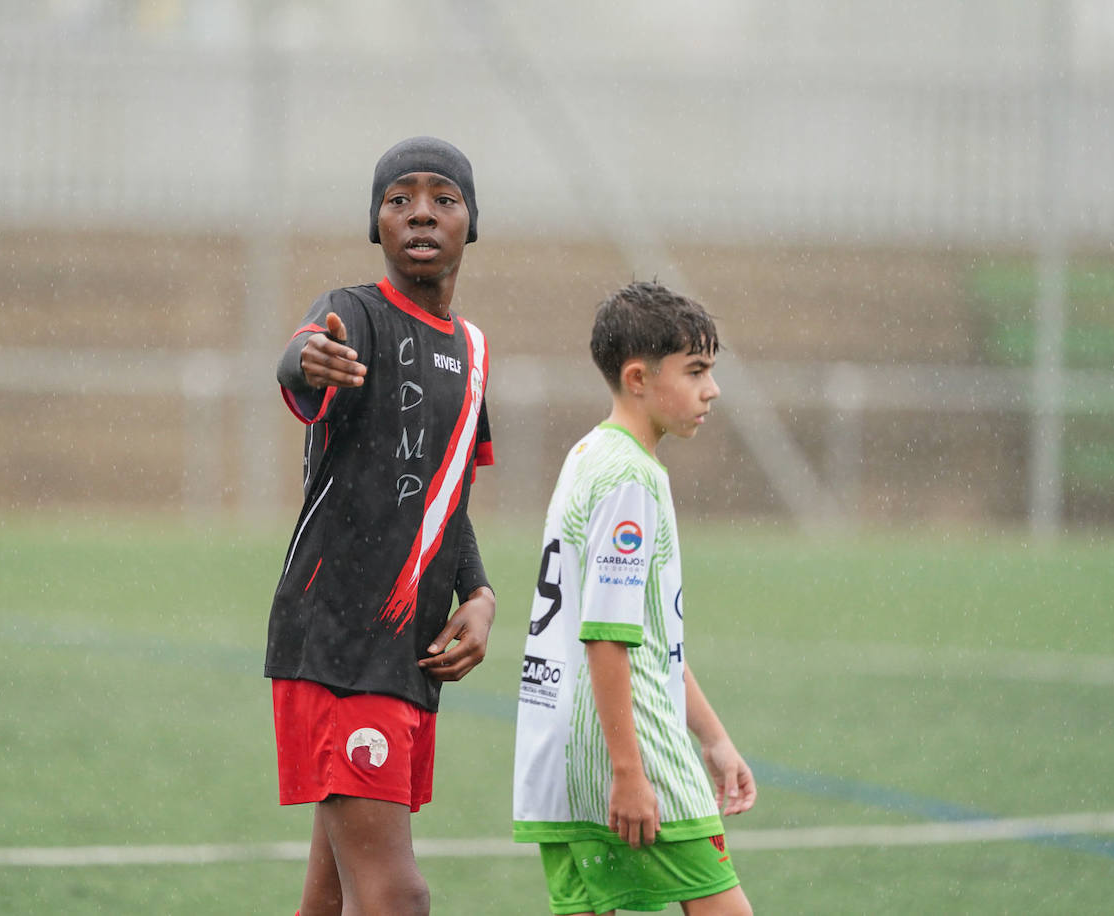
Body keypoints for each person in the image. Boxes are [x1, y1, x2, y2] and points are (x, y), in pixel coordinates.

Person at [265, 137, 496, 916]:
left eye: (443, 198)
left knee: (329, 902)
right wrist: (308, 360)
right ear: (377, 224)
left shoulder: (473, 351)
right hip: (339, 645)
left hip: (407, 658)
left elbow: (447, 494)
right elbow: (303, 354)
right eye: (400, 200)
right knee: (398, 896)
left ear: (471, 222)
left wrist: (479, 593)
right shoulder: (355, 315)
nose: (421, 213)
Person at [512, 281, 757, 915]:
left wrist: (713, 736)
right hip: (629, 748)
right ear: (638, 378)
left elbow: (641, 634)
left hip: (560, 750)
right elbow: (605, 636)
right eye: (696, 371)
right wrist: (628, 771)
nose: (712, 389)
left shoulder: (588, 454)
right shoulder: (630, 479)